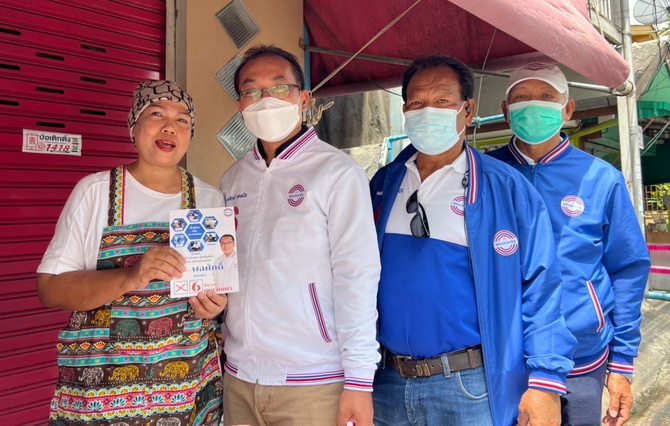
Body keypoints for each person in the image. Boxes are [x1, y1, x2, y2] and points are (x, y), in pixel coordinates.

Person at [370, 55, 577, 426]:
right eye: (417, 102)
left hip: (470, 388)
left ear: (467, 111)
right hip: (388, 384)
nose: (428, 111)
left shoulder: (505, 188)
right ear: (405, 111)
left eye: (443, 100)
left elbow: (541, 287)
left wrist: (546, 383)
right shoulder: (383, 185)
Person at [36, 80, 227, 425]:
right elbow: (50, 288)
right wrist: (129, 276)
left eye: (182, 120)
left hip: (185, 387)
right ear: (133, 128)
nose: (170, 126)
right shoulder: (96, 192)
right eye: (156, 114)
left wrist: (214, 306)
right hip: (101, 390)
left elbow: (214, 285)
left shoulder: (209, 199)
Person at [219, 45, 381, 426]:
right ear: (240, 106)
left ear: (303, 99)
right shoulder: (232, 179)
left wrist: (360, 380)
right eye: (251, 91)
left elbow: (357, 276)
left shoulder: (337, 173)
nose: (265, 100)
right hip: (240, 378)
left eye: (279, 87)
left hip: (314, 382)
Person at [489, 62, 651, 426]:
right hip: (504, 354)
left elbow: (628, 268)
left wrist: (622, 361)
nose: (534, 105)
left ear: (567, 109)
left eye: (547, 96)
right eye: (521, 97)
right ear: (505, 110)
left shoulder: (601, 178)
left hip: (583, 355)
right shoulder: (485, 174)